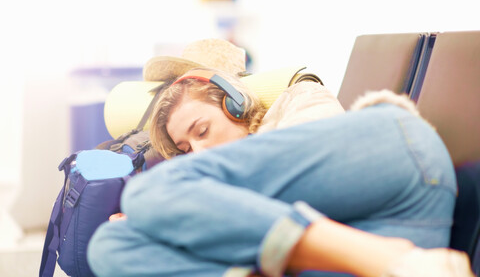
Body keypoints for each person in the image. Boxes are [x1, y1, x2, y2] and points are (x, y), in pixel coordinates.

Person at [87, 68, 474, 277]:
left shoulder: (297, 101)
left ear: (234, 104)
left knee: (146, 195)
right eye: (186, 150)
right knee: (110, 244)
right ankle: (394, 262)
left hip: (396, 153)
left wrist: (179, 219)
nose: (199, 151)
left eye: (202, 131)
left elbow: (309, 183)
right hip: (375, 226)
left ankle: (394, 260)